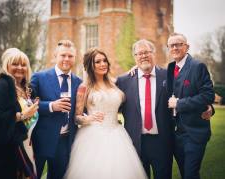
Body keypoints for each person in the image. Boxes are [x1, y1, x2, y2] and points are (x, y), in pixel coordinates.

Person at [63, 48, 148, 179]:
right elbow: (76, 118)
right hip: (93, 136)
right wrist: (89, 118)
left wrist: (137, 68)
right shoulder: (84, 87)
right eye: (98, 62)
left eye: (104, 61)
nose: (103, 64)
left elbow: (128, 81)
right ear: (90, 65)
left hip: (117, 134)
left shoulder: (114, 83)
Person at [116, 39, 174, 179]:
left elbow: (184, 94)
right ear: (135, 57)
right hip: (135, 142)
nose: (143, 56)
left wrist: (208, 107)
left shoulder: (169, 76)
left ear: (153, 53)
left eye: (147, 52)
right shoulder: (123, 81)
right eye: (139, 54)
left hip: (162, 141)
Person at [0, 48, 39, 179]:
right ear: (7, 66)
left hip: (27, 145)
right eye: (15, 64)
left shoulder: (28, 88)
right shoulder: (1, 86)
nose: (20, 68)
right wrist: (22, 115)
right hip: (7, 151)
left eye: (23, 65)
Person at [30, 40, 82, 179]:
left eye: (70, 56)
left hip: (65, 143)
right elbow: (28, 104)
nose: (66, 59)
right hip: (40, 140)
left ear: (75, 58)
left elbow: (82, 109)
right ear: (55, 56)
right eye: (63, 55)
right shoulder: (39, 77)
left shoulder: (79, 82)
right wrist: (51, 106)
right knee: (33, 175)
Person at [167, 33, 215, 179]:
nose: (175, 47)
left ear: (186, 47)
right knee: (185, 173)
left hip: (194, 133)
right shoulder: (170, 68)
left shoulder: (197, 66)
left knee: (190, 174)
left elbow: (208, 96)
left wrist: (179, 104)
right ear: (168, 48)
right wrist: (135, 68)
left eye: (179, 44)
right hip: (175, 135)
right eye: (172, 45)